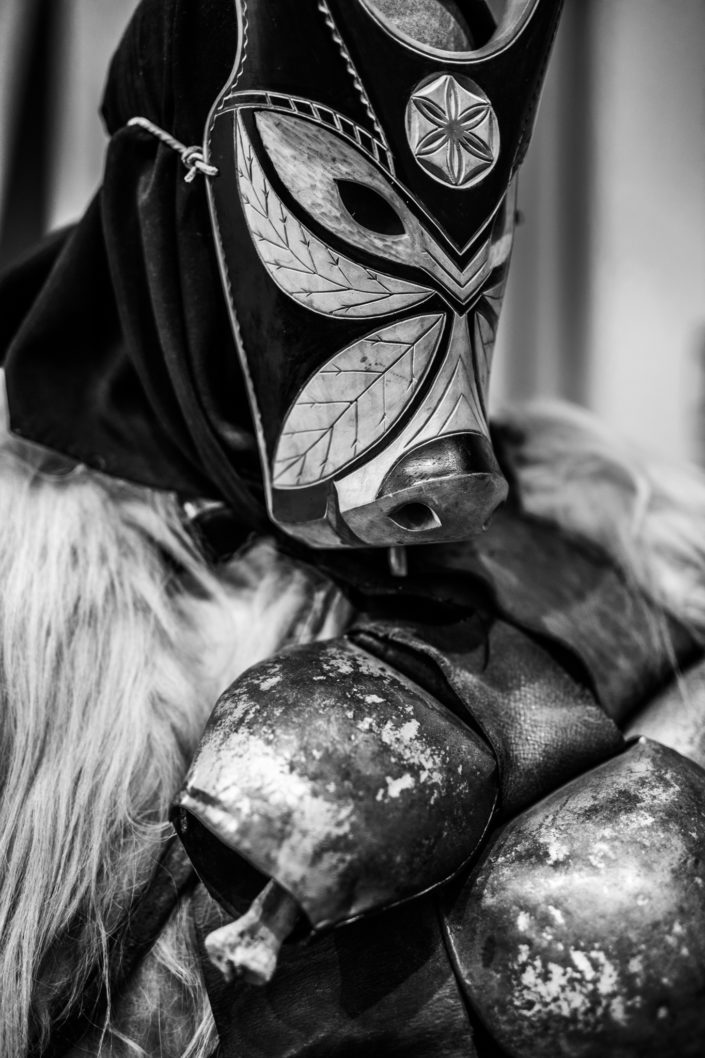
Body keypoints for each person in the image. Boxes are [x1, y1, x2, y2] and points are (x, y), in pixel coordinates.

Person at [1, 1, 704, 1055]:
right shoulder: (36, 612)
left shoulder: (605, 534)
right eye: (362, 211)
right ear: (179, 199)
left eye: (484, 234)